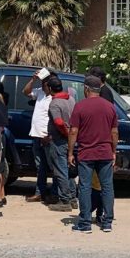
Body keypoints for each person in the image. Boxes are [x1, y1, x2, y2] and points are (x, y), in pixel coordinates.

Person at [68, 76, 118, 234]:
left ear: (86, 89)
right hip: (105, 152)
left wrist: (70, 152)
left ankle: (85, 223)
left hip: (86, 153)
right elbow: (114, 132)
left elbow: (73, 131)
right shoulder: (110, 107)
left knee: (84, 187)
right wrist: (114, 150)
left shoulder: (80, 106)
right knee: (107, 187)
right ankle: (107, 221)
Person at [45, 76, 77, 212]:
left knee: (60, 170)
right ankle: (73, 198)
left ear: (50, 88)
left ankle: (65, 200)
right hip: (71, 140)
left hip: (59, 140)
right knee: (68, 169)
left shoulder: (55, 103)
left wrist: (65, 132)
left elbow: (58, 122)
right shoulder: (71, 99)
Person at [22, 70, 54, 203]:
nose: (42, 83)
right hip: (36, 135)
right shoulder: (39, 92)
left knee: (53, 166)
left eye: (44, 81)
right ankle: (40, 192)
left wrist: (50, 135)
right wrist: (33, 79)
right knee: (39, 166)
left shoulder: (54, 97)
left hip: (47, 137)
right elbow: (26, 92)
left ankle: (55, 193)